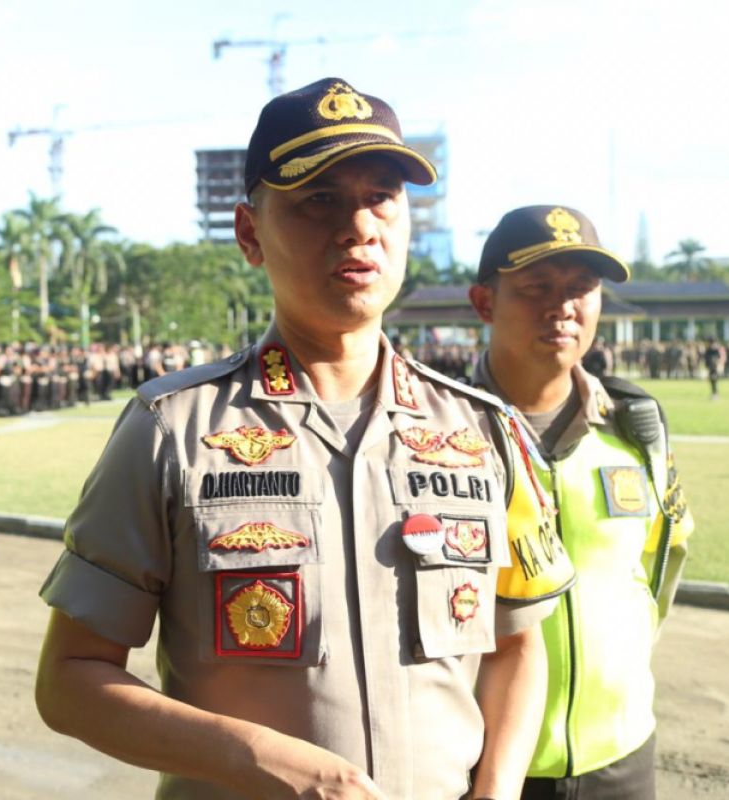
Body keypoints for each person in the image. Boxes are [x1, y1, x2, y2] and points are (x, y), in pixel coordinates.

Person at [34, 78, 576, 800]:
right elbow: (69, 682)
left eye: (381, 195)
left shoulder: (480, 431)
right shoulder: (173, 429)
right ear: (249, 233)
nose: (358, 226)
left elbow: (516, 642)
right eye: (318, 199)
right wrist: (251, 756)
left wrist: (498, 788)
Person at [467, 205, 694, 800]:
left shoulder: (635, 425)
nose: (562, 305)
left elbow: (662, 559)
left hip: (621, 755)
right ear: (484, 303)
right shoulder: (437, 433)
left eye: (580, 288)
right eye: (536, 287)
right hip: (484, 768)